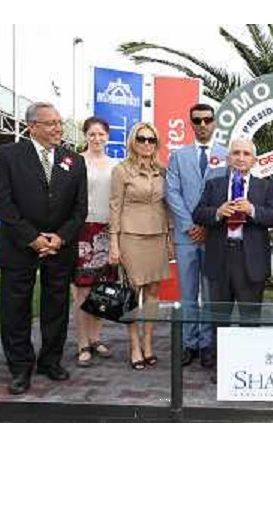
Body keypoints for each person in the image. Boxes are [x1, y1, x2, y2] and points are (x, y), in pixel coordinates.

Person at [0, 102, 87, 395]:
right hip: (19, 246)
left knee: (56, 307)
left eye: (59, 122)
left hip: (59, 248)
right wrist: (32, 238)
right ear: (32, 126)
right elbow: (1, 202)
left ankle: (51, 361)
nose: (58, 128)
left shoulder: (74, 160)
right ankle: (20, 367)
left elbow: (79, 208)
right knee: (15, 308)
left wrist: (60, 238)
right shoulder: (7, 155)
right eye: (51, 123)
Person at [166, 103, 228, 370]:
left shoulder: (227, 155)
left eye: (207, 120)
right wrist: (191, 224)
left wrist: (209, 224)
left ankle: (207, 344)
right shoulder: (179, 156)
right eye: (197, 121)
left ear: (214, 122)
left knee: (211, 293)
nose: (202, 125)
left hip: (214, 235)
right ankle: (189, 343)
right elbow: (172, 192)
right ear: (191, 124)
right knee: (188, 294)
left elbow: (229, 195)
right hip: (186, 235)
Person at [109, 122, 173, 371]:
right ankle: (134, 346)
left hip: (157, 235)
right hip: (131, 236)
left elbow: (167, 208)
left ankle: (148, 344)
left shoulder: (163, 171)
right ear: (132, 141)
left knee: (154, 294)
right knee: (133, 294)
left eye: (151, 139)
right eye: (142, 138)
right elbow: (114, 207)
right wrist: (114, 243)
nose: (147, 143)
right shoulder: (121, 171)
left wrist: (169, 239)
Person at [193, 138, 273, 309]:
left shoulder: (266, 186)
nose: (241, 158)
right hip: (220, 258)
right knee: (218, 320)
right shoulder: (214, 185)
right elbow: (197, 214)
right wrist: (218, 212)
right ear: (228, 159)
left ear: (254, 161)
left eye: (246, 154)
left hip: (251, 261)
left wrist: (252, 210)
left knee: (250, 321)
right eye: (236, 153)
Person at [73, 116, 117, 367]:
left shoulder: (115, 164)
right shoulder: (76, 162)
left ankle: (96, 338)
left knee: (101, 290)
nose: (97, 138)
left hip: (107, 230)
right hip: (82, 231)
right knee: (81, 289)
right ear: (85, 136)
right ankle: (82, 343)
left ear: (107, 136)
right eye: (92, 134)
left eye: (101, 134)